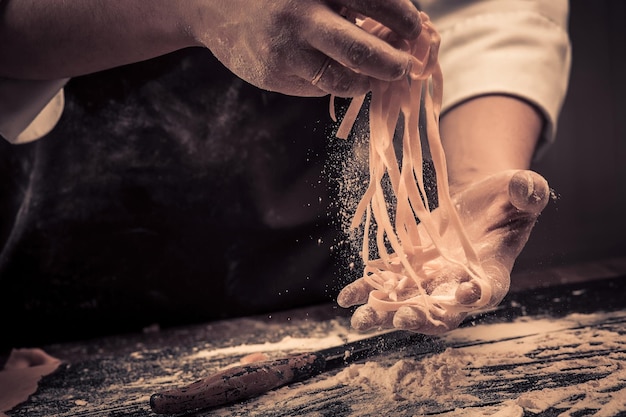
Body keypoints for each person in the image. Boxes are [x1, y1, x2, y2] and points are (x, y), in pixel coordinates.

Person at [0, 0, 571, 346]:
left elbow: (484, 13)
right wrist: (196, 9)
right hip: (61, 275)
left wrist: (470, 184)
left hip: (334, 269)